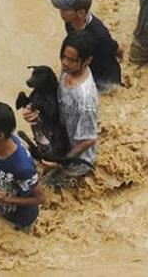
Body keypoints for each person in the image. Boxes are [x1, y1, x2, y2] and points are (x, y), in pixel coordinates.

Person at [24, 33, 99, 189]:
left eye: (71, 60)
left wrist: (60, 162)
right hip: (60, 139)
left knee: (50, 187)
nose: (65, 63)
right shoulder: (68, 71)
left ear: (87, 61)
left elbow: (89, 140)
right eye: (63, 57)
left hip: (75, 160)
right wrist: (33, 109)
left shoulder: (85, 99)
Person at [0, 102, 46, 230]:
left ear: (0, 136)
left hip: (20, 220)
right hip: (1, 205)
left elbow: (40, 198)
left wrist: (6, 199)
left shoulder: (23, 167)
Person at [50, 0, 122, 93]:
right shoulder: (69, 22)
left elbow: (115, 49)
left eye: (65, 9)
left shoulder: (100, 35)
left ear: (81, 13)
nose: (61, 12)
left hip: (104, 78)